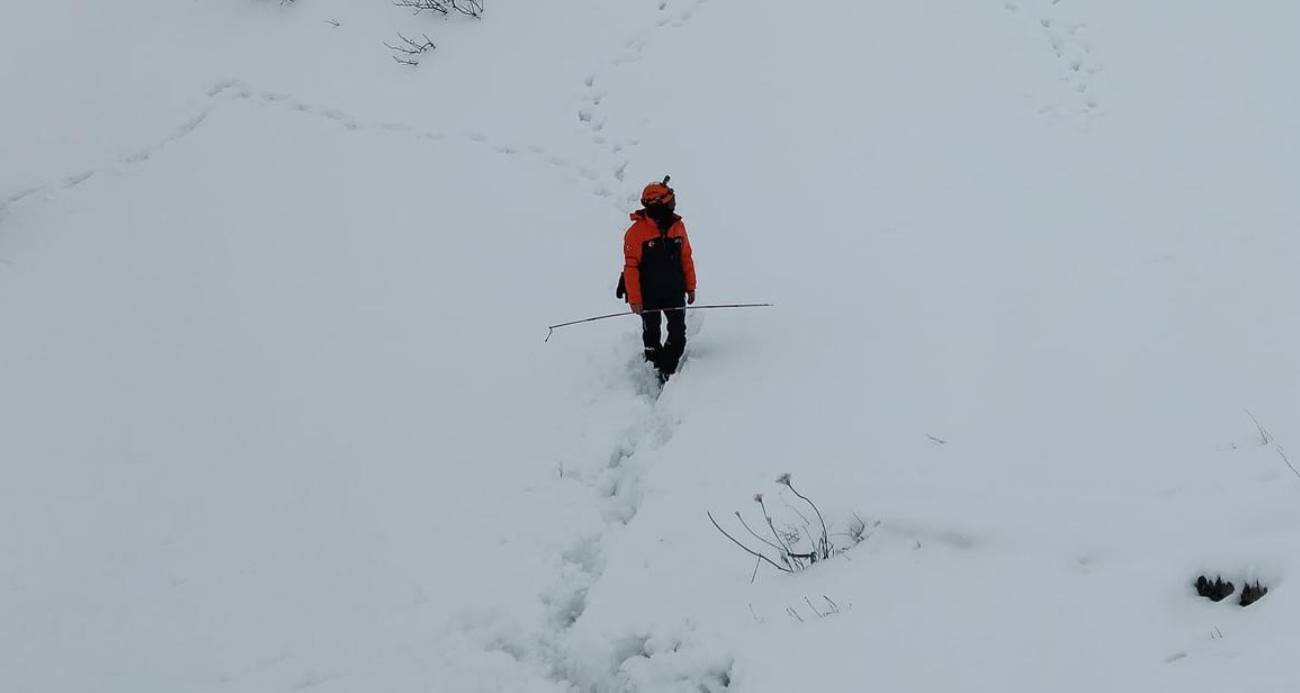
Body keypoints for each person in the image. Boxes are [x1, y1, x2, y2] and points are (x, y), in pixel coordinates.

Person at [617, 177, 697, 381]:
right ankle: (654, 366)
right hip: (648, 295)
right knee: (651, 335)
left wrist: (691, 286)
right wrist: (635, 299)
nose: (673, 203)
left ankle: (668, 368)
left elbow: (686, 257)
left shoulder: (678, 227)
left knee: (678, 334)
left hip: (674, 291)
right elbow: (631, 268)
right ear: (657, 203)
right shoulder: (635, 233)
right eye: (670, 199)